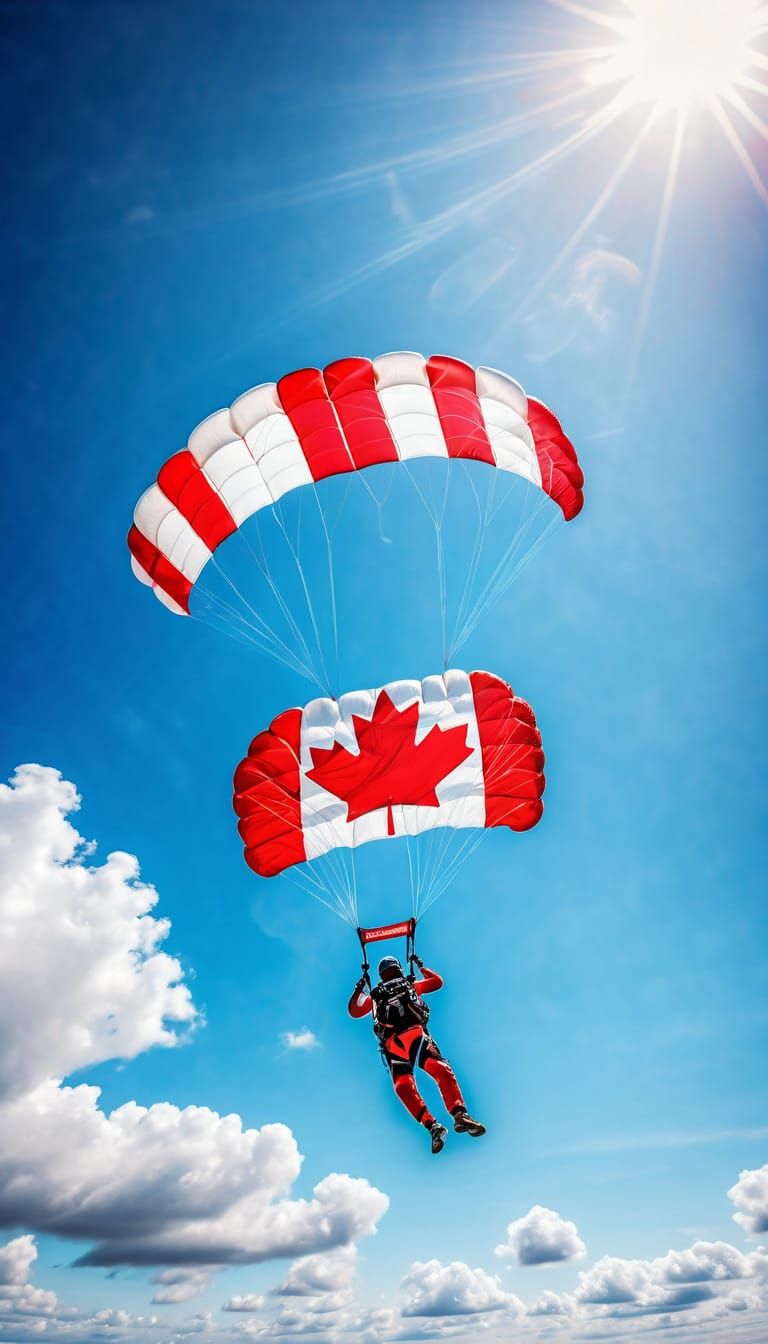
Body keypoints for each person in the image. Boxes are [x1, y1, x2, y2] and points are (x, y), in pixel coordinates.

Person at [348, 952, 486, 1154]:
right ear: (399, 970)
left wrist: (359, 988)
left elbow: (354, 1011)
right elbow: (437, 982)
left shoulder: (376, 997)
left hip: (395, 1048)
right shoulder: (411, 986)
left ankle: (432, 1126)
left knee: (404, 1087)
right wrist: (420, 965)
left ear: (381, 974)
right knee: (441, 1070)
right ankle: (458, 1114)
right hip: (417, 1039)